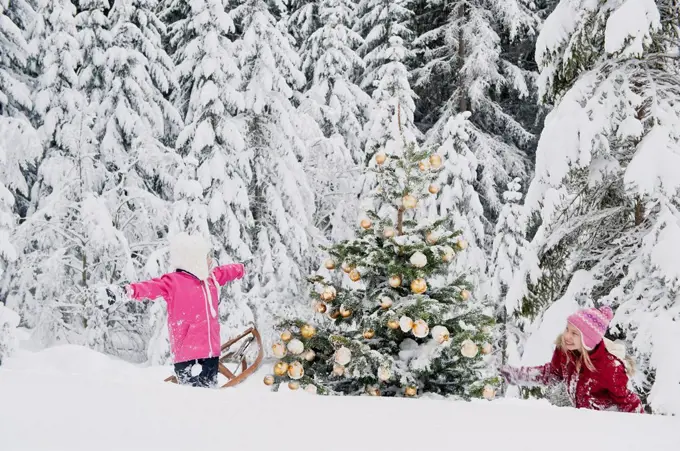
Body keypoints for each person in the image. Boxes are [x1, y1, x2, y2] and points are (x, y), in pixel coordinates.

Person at [121, 232, 245, 388]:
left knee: (210, 397)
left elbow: (226, 271)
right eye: (206, 257)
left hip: (211, 353)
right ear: (194, 260)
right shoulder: (174, 282)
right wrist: (128, 291)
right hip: (187, 356)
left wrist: (242, 268)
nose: (210, 260)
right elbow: (151, 287)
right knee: (189, 401)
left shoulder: (210, 279)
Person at [500, 305, 644, 413]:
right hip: (584, 420)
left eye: (574, 333)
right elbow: (552, 374)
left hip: (608, 423)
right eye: (567, 329)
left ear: (588, 340)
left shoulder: (609, 368)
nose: (567, 336)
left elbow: (629, 402)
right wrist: (518, 375)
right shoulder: (565, 352)